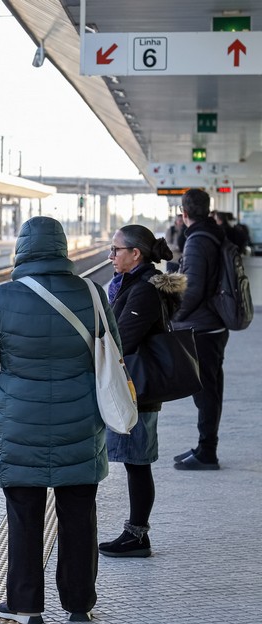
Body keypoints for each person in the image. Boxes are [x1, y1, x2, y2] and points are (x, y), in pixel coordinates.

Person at [0, 215, 111, 624]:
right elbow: (113, 356)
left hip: (20, 425)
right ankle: (80, 602)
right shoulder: (92, 292)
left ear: (22, 249)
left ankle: (26, 606)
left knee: (24, 517)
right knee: (79, 515)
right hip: (81, 423)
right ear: (63, 248)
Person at [99, 225, 185, 558]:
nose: (110, 255)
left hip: (137, 387)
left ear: (135, 254)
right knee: (137, 461)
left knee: (137, 462)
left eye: (116, 249)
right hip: (134, 385)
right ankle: (136, 533)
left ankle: (137, 535)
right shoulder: (134, 283)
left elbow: (124, 338)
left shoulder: (144, 290)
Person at [172, 188, 229, 471]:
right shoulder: (214, 234)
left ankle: (208, 452)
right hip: (213, 324)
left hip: (203, 328)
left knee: (205, 391)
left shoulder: (197, 241)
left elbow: (192, 290)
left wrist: (173, 318)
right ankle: (204, 445)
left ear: (183, 213)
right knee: (210, 389)